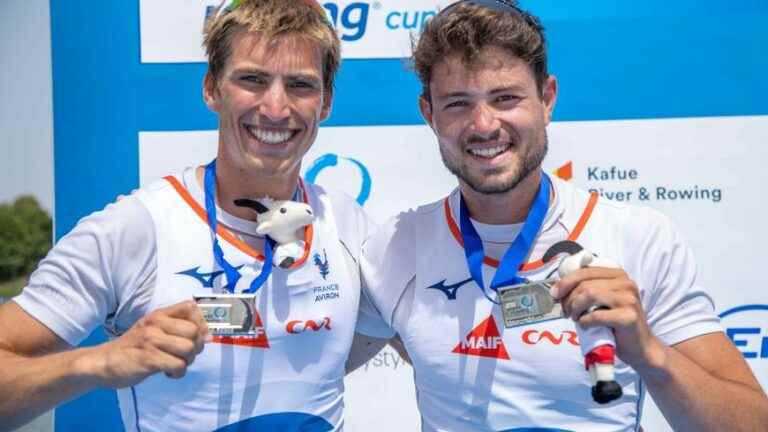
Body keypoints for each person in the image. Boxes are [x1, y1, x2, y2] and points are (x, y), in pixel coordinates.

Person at [361, 1, 768, 431]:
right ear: (429, 114)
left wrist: (649, 352)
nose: (483, 125)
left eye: (505, 98)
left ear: (547, 98)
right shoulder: (394, 247)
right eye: (458, 103)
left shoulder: (636, 237)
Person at [0, 1, 391, 431]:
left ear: (326, 103)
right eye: (252, 80)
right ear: (211, 89)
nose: (276, 108)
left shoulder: (350, 225)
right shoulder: (136, 228)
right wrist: (98, 361)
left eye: (299, 85)